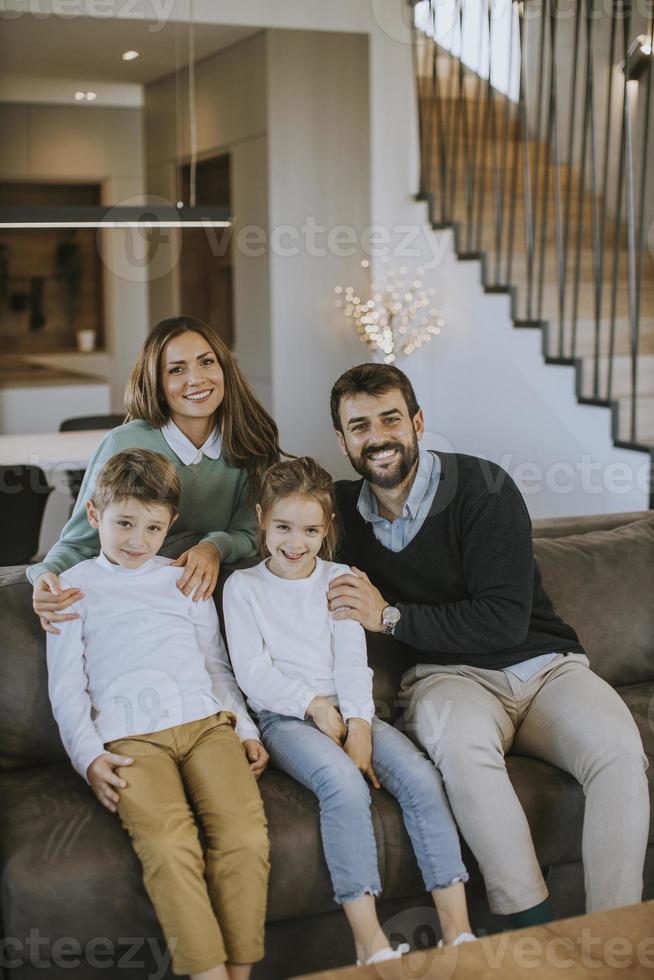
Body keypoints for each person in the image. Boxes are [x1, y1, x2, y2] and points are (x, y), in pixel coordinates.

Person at [327, 362, 650, 926]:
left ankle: (610, 933)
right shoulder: (340, 516)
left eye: (390, 418)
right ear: (343, 440)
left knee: (620, 754)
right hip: (446, 679)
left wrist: (391, 618)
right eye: (359, 426)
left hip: (545, 668)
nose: (377, 436)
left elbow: (502, 620)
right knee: (461, 750)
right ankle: (532, 929)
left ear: (418, 423)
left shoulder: (483, 487)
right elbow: (268, 517)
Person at [223, 456, 474, 966]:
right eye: (283, 527)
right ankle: (370, 943)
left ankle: (459, 933)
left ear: (327, 528)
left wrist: (359, 725)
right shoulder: (243, 588)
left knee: (423, 779)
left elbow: (352, 663)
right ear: (261, 520)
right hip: (285, 716)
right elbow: (252, 673)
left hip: (353, 707)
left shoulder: (341, 579)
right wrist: (314, 707)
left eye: (311, 530)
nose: (297, 542)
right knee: (343, 784)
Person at [46, 448, 270, 980]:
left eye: (152, 528)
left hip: (206, 727)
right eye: (124, 523)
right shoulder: (72, 589)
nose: (136, 541)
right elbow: (66, 688)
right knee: (169, 844)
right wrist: (87, 757)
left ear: (170, 525)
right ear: (96, 515)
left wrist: (245, 727)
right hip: (130, 741)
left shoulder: (182, 578)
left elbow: (216, 666)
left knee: (245, 835)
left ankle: (241, 972)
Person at [29, 315, 281, 633]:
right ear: (157, 384)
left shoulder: (253, 441)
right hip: (132, 607)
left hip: (209, 606)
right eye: (177, 369)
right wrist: (44, 576)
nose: (196, 379)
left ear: (224, 370)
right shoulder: (123, 443)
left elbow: (251, 534)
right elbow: (79, 543)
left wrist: (212, 547)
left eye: (206, 362)